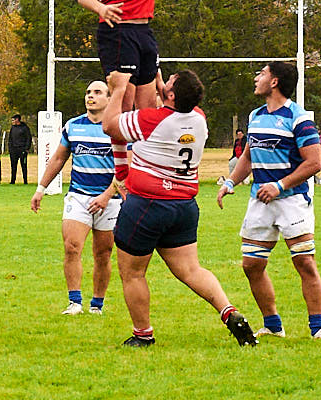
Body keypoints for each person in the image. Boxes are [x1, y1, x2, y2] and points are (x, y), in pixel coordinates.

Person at [96, 69, 257, 348]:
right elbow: (174, 100)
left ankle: (142, 334)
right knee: (191, 270)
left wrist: (120, 88)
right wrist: (158, 80)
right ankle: (228, 311)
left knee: (132, 273)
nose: (163, 83)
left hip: (147, 204)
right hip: (183, 206)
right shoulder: (198, 118)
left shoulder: (152, 120)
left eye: (168, 82)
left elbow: (110, 126)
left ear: (170, 95)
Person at [217, 62, 321, 340]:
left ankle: (318, 329)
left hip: (292, 200)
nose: (257, 78)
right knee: (251, 265)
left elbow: (314, 162)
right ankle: (273, 325)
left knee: (304, 262)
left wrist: (279, 186)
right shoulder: (255, 116)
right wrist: (231, 182)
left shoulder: (298, 118)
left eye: (262, 74)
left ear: (275, 81)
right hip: (260, 201)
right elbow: (248, 156)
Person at [30, 80, 117, 316]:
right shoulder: (73, 126)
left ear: (109, 99)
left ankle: (97, 304)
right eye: (88, 92)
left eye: (98, 92)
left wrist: (107, 196)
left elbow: (125, 169)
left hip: (110, 199)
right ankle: (74, 302)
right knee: (72, 247)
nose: (91, 96)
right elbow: (58, 159)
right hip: (79, 196)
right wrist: (41, 188)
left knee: (103, 253)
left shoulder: (116, 127)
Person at [7, 114, 33, 184]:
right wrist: (10, 148)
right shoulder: (13, 128)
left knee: (23, 165)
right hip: (14, 150)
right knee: (13, 166)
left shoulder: (25, 128)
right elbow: (10, 139)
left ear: (17, 119)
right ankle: (13, 181)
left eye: (13, 120)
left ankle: (25, 181)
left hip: (22, 149)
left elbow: (28, 138)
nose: (12, 121)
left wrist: (26, 148)